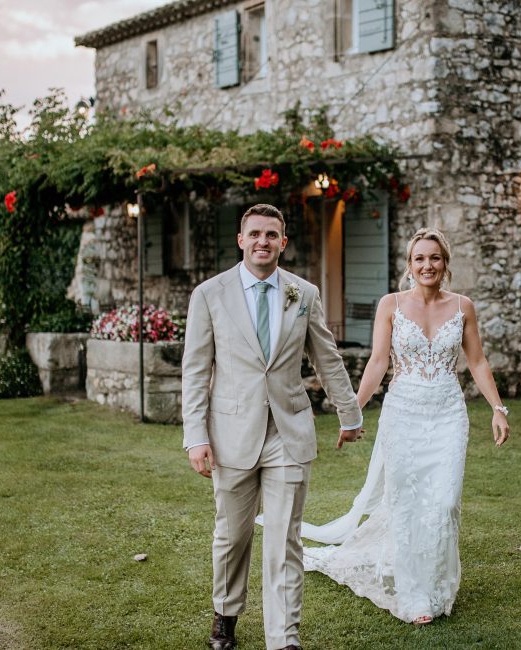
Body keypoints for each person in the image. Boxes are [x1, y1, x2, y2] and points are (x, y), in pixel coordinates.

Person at [299, 227, 510, 625]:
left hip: (448, 414)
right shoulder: (390, 305)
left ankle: (435, 579)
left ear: (445, 264)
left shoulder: (463, 306)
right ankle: (415, 595)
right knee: (406, 505)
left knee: (443, 503)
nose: (427, 265)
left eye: (434, 258)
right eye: (419, 259)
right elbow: (379, 362)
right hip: (403, 415)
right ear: (409, 265)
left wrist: (498, 408)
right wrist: (353, 412)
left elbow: (478, 362)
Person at [182, 203, 364, 650]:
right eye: (255, 234)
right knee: (232, 535)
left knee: (285, 539)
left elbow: (326, 358)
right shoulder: (209, 294)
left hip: (288, 431)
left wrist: (350, 412)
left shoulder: (303, 293)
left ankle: (284, 638)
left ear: (283, 242)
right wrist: (196, 436)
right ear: (241, 240)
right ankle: (225, 614)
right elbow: (195, 369)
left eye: (272, 234)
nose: (263, 241)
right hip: (230, 434)